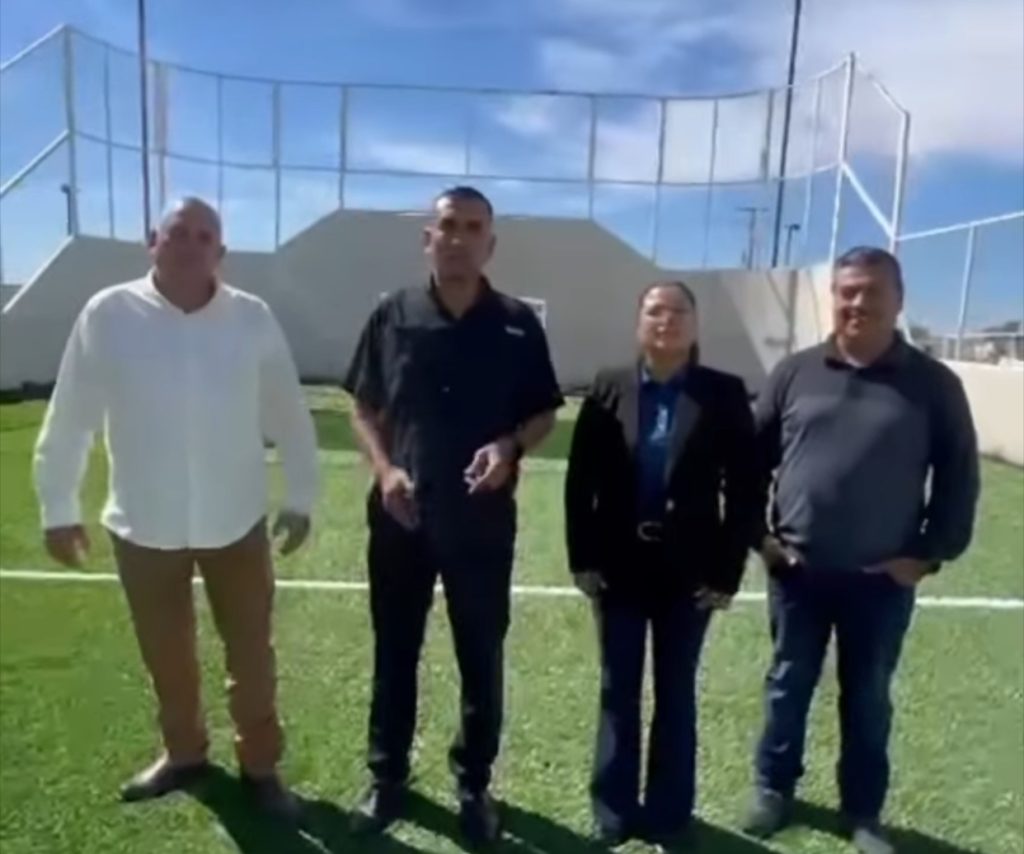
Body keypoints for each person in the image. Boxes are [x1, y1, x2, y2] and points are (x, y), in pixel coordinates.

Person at [33, 197, 319, 819]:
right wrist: (58, 505)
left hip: (235, 522)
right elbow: (72, 413)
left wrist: (301, 496)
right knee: (167, 656)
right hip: (143, 523)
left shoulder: (251, 317)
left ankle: (261, 768)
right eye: (178, 232)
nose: (191, 244)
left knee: (252, 657)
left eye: (205, 236)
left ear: (221, 252)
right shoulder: (108, 313)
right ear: (152, 241)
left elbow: (287, 412)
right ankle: (184, 754)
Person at [343, 186, 564, 847]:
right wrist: (385, 470)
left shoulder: (517, 324)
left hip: (482, 523)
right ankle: (387, 777)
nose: (458, 237)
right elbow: (363, 407)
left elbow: (544, 413)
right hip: (401, 518)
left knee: (480, 655)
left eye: (472, 227)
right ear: (428, 239)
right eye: (447, 225)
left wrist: (509, 447)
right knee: (395, 651)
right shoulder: (392, 315)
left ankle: (474, 784)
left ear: (490, 243)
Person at [742, 247, 980, 854]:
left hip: (880, 580)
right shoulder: (795, 373)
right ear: (834, 297)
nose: (857, 303)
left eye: (872, 291)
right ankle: (772, 789)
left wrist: (926, 555)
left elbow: (958, 479)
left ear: (898, 301)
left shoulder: (934, 384)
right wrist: (763, 541)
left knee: (869, 697)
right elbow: (747, 465)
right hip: (797, 572)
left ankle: (864, 811)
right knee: (786, 686)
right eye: (847, 291)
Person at [564, 280, 760, 848]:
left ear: (695, 325)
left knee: (676, 694)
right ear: (639, 323)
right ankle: (613, 811)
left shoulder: (723, 393)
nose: (666, 320)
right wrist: (583, 559)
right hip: (619, 568)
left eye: (678, 311)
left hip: (690, 573)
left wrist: (726, 574)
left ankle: (670, 815)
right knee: (617, 690)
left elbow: (745, 489)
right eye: (654, 310)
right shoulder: (610, 386)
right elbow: (581, 483)